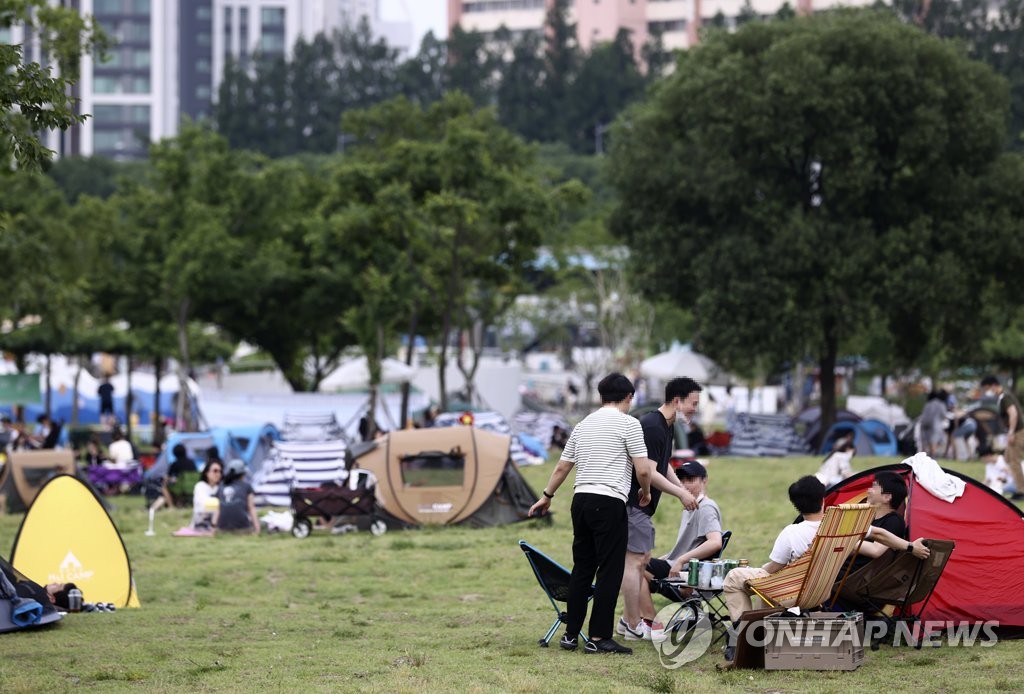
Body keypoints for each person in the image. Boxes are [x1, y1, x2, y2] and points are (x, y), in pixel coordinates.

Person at [721, 475, 930, 660]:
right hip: (821, 594)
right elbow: (880, 535)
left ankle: (742, 634)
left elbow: (773, 568)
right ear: (823, 501)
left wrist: (756, 570)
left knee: (734, 577)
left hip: (790, 592)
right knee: (759, 588)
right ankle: (756, 638)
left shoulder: (791, 532)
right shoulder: (840, 526)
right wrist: (910, 547)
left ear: (796, 506)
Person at [528, 372, 653, 655]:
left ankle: (571, 635)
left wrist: (546, 497)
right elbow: (643, 469)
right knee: (610, 570)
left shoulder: (583, 425)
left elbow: (562, 467)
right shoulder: (630, 424)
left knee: (582, 567)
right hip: (609, 502)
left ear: (600, 397)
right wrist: (645, 491)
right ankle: (598, 638)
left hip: (580, 500)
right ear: (629, 397)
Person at [618, 378, 700, 642]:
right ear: (677, 400)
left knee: (640, 561)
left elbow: (663, 465)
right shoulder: (653, 426)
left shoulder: (666, 426)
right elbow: (649, 471)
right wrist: (680, 493)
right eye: (693, 403)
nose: (694, 409)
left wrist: (682, 491)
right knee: (636, 562)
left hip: (642, 507)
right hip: (634, 504)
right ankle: (633, 624)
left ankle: (626, 621)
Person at [642, 459, 723, 607]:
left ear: (704, 481)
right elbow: (689, 545)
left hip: (685, 570)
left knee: (634, 564)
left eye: (691, 480)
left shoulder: (705, 507)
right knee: (636, 567)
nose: (684, 485)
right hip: (676, 564)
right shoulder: (690, 506)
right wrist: (667, 557)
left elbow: (715, 542)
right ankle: (643, 617)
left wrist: (680, 560)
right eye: (681, 480)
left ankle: (682, 595)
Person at [980, 375, 1024, 500]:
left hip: (1018, 432)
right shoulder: (1003, 397)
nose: (988, 391)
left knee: (1014, 460)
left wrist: (1011, 432)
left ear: (993, 385)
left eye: (988, 388)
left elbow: (1013, 413)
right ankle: (1016, 485)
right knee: (1008, 458)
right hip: (1016, 431)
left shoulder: (1005, 397)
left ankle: (1021, 491)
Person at [216, 458, 259, 534]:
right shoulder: (246, 486)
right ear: (243, 474)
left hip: (222, 529)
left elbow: (218, 508)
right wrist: (257, 529)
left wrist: (214, 527)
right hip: (243, 529)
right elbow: (251, 508)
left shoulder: (221, 486)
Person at [191, 459, 222, 532]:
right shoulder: (200, 486)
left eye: (220, 471)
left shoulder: (220, 487)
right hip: (201, 521)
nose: (218, 474)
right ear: (207, 473)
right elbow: (203, 505)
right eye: (215, 471)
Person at [919, 391, 949, 457]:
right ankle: (933, 456)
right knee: (933, 441)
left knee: (925, 442)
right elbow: (944, 415)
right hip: (935, 425)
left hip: (924, 424)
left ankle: (923, 457)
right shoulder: (941, 404)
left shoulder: (928, 404)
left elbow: (923, 414)